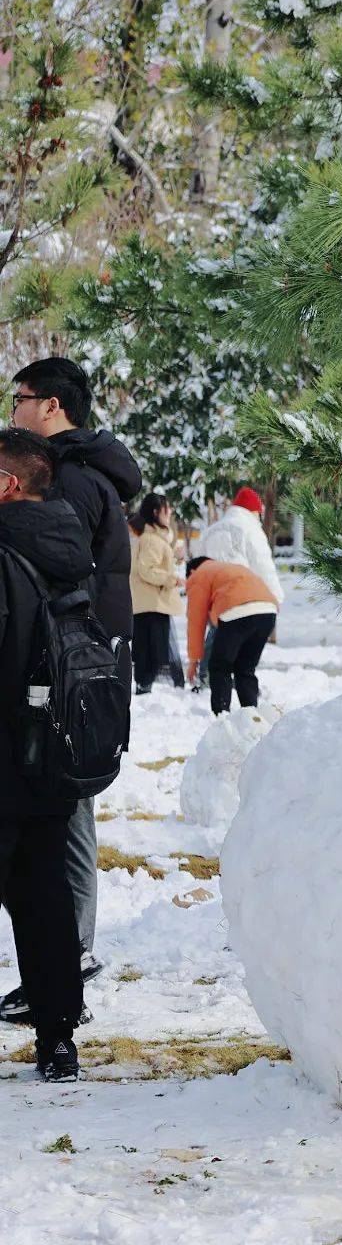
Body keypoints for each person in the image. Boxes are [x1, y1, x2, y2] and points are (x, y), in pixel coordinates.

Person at [6, 357, 141, 1015]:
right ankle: (63, 965)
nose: (13, 410)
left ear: (52, 407)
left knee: (61, 821)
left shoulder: (67, 482)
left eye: (20, 398)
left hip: (67, 678)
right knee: (64, 816)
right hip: (82, 672)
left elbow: (54, 581)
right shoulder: (86, 476)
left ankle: (66, 967)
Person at [0, 429, 90, 1080]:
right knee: (45, 898)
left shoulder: (5, 546)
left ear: (7, 485)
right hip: (50, 748)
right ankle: (58, 1037)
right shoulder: (64, 541)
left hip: (5, 746)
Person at [185, 556, 278, 714]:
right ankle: (250, 714)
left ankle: (221, 715)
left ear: (192, 571)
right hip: (268, 611)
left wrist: (194, 659)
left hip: (237, 612)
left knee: (219, 666)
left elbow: (196, 619)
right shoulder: (229, 568)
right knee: (245, 668)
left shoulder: (199, 574)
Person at [130, 493, 185, 694]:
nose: (169, 512)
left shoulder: (151, 537)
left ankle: (145, 689)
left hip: (149, 603)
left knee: (148, 652)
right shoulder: (152, 539)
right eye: (166, 508)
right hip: (151, 604)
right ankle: (145, 691)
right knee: (151, 653)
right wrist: (172, 579)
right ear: (156, 512)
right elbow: (147, 570)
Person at [198, 487, 284, 605]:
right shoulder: (251, 530)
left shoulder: (210, 532)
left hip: (216, 604)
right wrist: (276, 597)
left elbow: (201, 568)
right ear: (253, 512)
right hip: (243, 603)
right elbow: (263, 566)